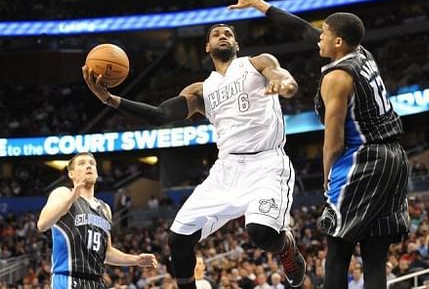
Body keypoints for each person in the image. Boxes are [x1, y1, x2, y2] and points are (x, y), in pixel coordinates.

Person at [82, 24, 306, 289]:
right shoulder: (201, 90)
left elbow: (282, 77)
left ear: (237, 45)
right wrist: (110, 99)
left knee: (261, 234)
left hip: (266, 163)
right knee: (178, 239)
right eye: (215, 34)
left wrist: (286, 85)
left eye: (228, 34)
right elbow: (161, 114)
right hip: (227, 168)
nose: (222, 36)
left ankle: (287, 248)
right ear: (207, 47)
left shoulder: (257, 64)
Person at [222, 0, 410, 289]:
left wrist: (327, 179)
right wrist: (257, 3)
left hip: (362, 161)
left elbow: (333, 141)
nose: (318, 37)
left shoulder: (336, 77)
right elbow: (301, 30)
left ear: (337, 42)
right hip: (395, 159)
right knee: (375, 256)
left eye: (324, 34)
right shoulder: (361, 53)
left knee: (336, 250)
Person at [37, 152, 157, 288]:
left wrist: (136, 260)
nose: (88, 166)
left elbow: (107, 253)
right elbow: (42, 224)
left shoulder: (105, 209)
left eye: (92, 163)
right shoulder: (63, 193)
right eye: (82, 163)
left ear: (97, 173)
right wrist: (70, 199)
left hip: (97, 282)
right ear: (71, 174)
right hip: (68, 279)